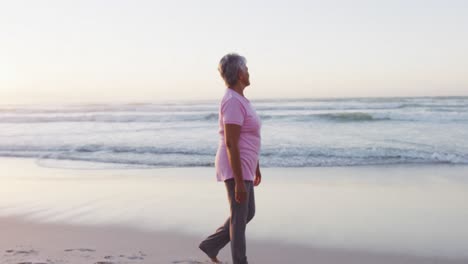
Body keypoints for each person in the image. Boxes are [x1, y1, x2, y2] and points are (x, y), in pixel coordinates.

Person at [199, 53, 262, 264]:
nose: (249, 71)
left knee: (247, 212)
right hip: (235, 165)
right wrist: (238, 181)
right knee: (239, 218)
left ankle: (211, 245)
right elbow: (231, 142)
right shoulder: (232, 101)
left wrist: (256, 166)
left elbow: (248, 136)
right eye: (246, 68)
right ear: (239, 73)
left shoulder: (240, 99)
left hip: (245, 165)